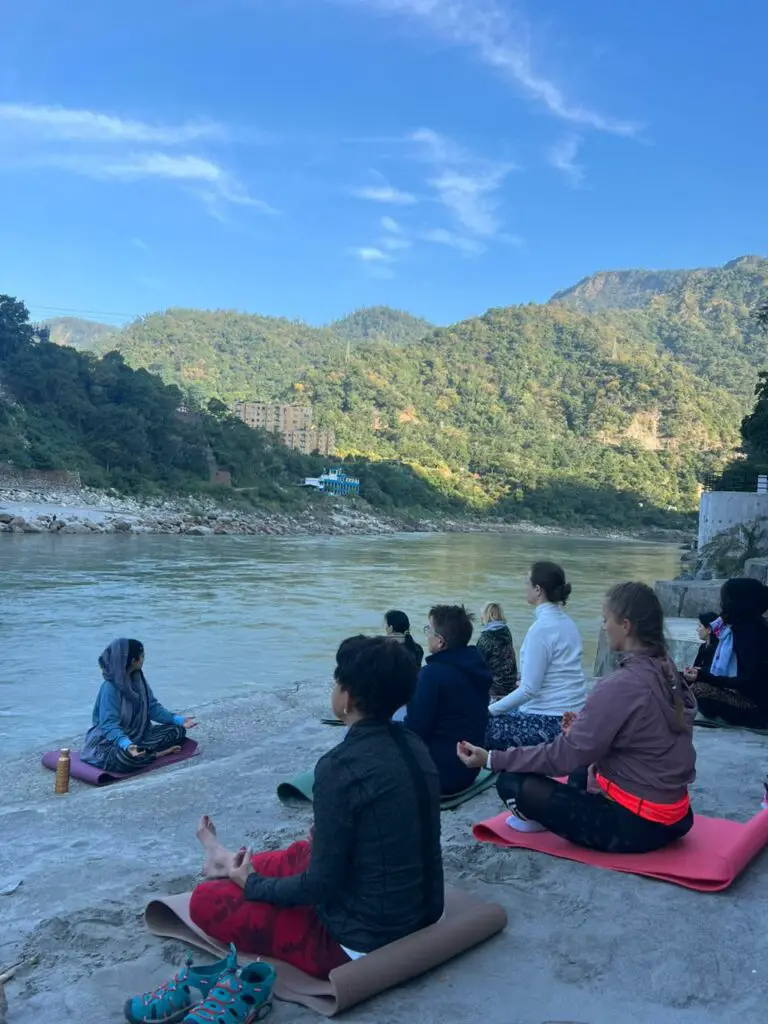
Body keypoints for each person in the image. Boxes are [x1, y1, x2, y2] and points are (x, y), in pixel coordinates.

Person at [188, 637, 444, 979]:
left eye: (336, 682)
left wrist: (253, 886)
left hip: (362, 939)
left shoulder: (339, 767)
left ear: (347, 698)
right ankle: (225, 859)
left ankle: (234, 871)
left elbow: (320, 886)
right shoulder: (414, 744)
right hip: (424, 910)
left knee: (204, 901)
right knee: (302, 851)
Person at [458, 582, 696, 854]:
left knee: (511, 782)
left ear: (626, 625)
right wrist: (584, 728)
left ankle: (541, 819)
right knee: (582, 767)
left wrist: (491, 759)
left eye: (606, 620)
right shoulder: (667, 670)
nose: (604, 627)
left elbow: (564, 756)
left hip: (638, 826)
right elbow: (645, 735)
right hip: (677, 816)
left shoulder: (622, 685)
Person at [485, 562, 587, 751]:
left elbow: (529, 690)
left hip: (551, 721)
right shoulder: (568, 623)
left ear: (538, 590)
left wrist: (488, 712)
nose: (525, 588)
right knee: (492, 703)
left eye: (527, 584)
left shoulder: (541, 630)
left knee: (477, 724)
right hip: (573, 713)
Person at [404, 605, 492, 796]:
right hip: (469, 768)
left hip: (439, 775)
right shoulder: (477, 666)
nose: (427, 634)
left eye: (429, 630)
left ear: (441, 642)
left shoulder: (432, 675)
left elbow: (414, 729)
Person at [81, 639, 194, 772]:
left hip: (139, 736)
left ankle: (142, 753)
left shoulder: (138, 679)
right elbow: (108, 724)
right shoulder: (110, 688)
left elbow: (152, 707)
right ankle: (154, 754)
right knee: (124, 757)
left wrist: (178, 720)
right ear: (134, 661)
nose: (144, 659)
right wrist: (126, 744)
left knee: (177, 731)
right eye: (142, 656)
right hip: (111, 742)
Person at [684, 578, 768, 729]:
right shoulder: (744, 627)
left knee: (697, 690)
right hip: (750, 694)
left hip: (758, 706)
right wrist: (701, 672)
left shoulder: (750, 633)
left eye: (725, 599)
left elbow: (747, 680)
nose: (721, 604)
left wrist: (705, 677)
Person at [476, 602, 518, 698]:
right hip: (511, 682)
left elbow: (478, 665)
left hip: (496, 688)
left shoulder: (486, 638)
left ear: (487, 616)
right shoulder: (506, 631)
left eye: (482, 614)